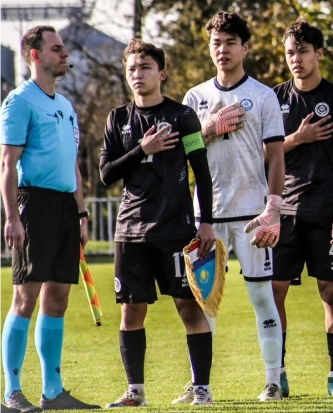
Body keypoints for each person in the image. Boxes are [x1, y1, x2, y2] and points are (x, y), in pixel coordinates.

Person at [99, 39, 217, 407]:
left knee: (189, 308)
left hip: (176, 230)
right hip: (130, 231)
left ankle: (201, 389)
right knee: (131, 311)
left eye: (145, 67)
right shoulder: (117, 119)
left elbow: (201, 169)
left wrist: (207, 222)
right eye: (132, 68)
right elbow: (105, 174)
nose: (138, 75)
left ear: (161, 73)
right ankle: (135, 391)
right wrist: (142, 150)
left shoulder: (183, 117)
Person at [180, 11, 287, 402]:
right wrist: (207, 129)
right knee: (204, 304)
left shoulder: (263, 96)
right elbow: (184, 154)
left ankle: (273, 381)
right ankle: (200, 386)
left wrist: (273, 207)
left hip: (251, 216)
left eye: (229, 42)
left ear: (245, 47)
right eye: (215, 43)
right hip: (206, 219)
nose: (221, 50)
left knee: (262, 297)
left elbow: (276, 156)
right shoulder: (195, 97)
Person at [0, 25, 99, 411]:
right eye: (57, 48)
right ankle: (11, 392)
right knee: (26, 297)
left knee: (57, 299)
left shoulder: (66, 105)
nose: (65, 54)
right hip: (33, 205)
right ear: (35, 55)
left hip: (64, 209)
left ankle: (53, 393)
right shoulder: (19, 101)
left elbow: (72, 165)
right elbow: (7, 164)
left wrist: (82, 212)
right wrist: (13, 218)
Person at [270, 18, 333, 397]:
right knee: (274, 293)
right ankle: (279, 373)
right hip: (284, 212)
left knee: (332, 293)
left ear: (318, 54)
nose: (296, 59)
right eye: (291, 52)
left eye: (303, 52)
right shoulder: (273, 98)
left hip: (326, 212)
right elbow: (261, 154)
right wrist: (297, 138)